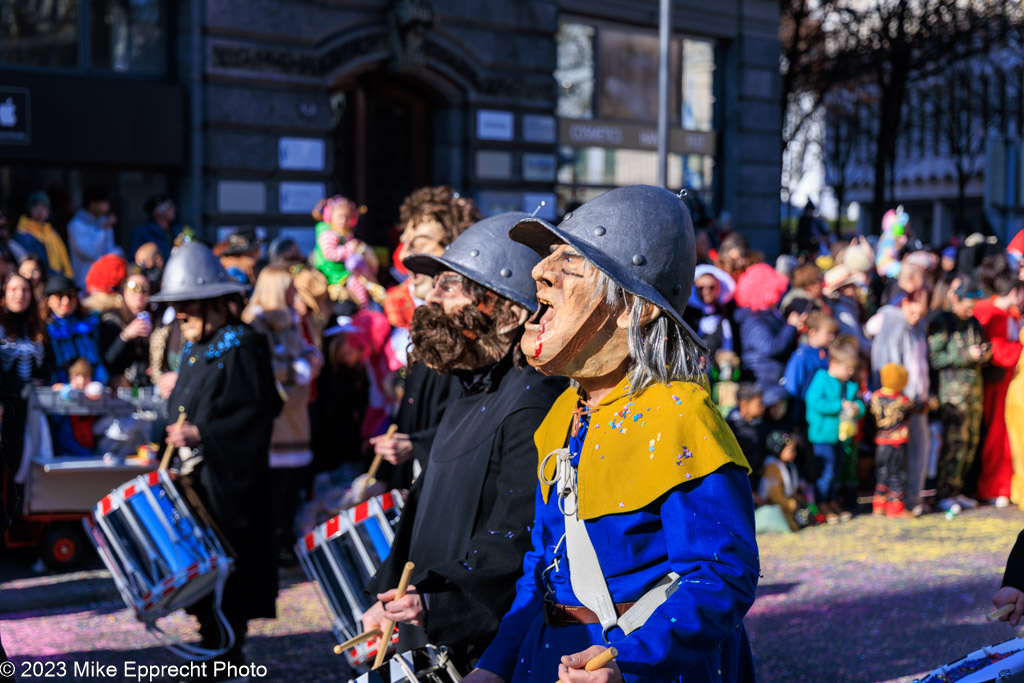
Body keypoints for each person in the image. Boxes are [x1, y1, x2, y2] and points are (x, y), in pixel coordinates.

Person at [468, 185, 758, 682]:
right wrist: (494, 666)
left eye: (572, 261)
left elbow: (721, 574)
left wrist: (630, 661)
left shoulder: (680, 413)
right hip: (547, 659)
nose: (540, 272)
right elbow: (542, 566)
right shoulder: (562, 411)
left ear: (635, 308)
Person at [361, 213, 566, 672]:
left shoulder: (534, 401)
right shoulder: (469, 387)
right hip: (435, 630)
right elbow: (426, 506)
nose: (429, 297)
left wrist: (438, 603)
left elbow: (518, 537)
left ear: (508, 311)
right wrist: (397, 594)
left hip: (488, 653)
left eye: (448, 286)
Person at [150, 241, 282, 677]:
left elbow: (257, 415)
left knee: (230, 580)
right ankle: (211, 640)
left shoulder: (244, 345)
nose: (179, 316)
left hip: (232, 489)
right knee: (201, 582)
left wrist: (202, 433)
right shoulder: (192, 347)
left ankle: (229, 653)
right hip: (197, 485)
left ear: (212, 304)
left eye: (185, 306)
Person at [241, 264, 322, 561]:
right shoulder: (256, 321)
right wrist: (291, 371)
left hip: (296, 414)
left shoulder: (289, 319)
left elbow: (299, 349)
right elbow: (258, 368)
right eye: (288, 286)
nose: (293, 292)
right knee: (273, 488)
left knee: (291, 483)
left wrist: (311, 356)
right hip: (275, 416)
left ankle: (286, 538)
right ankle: (272, 544)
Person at [867, 288, 931, 515]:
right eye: (914, 311)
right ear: (904, 303)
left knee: (916, 452)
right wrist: (899, 400)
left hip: (915, 400)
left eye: (921, 313)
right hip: (899, 405)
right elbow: (889, 368)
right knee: (894, 465)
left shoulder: (917, 327)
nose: (917, 317)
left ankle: (912, 498)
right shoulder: (894, 324)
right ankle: (895, 504)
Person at [927, 276, 988, 513]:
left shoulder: (973, 323)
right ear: (955, 299)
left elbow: (980, 349)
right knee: (954, 444)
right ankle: (945, 492)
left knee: (971, 442)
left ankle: (958, 490)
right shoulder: (943, 322)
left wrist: (984, 354)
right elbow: (935, 358)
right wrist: (966, 356)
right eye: (966, 305)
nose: (969, 311)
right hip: (953, 395)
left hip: (974, 391)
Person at [973, 263, 1023, 507]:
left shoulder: (1008, 315)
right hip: (997, 384)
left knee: (1006, 438)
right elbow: (999, 352)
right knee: (996, 437)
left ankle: (1004, 485)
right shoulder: (993, 313)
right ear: (1014, 292)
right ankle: (993, 486)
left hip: (1007, 384)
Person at [804, 337, 863, 522]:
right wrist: (839, 405)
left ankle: (831, 500)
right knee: (826, 473)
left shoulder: (848, 385)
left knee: (836, 471)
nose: (850, 373)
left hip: (841, 437)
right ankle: (822, 503)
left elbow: (860, 403)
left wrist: (856, 408)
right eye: (848, 368)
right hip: (822, 436)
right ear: (835, 363)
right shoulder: (821, 379)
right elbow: (815, 402)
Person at [0, 272, 50, 484]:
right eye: (14, 289)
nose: (19, 295)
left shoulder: (37, 326)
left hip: (32, 405)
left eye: (25, 290)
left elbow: (48, 365)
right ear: (4, 292)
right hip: (6, 403)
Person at [734, 262, 805, 395]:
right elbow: (770, 346)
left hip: (774, 380)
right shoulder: (752, 320)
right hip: (765, 384)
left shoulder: (768, 314)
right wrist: (790, 326)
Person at [869, 363, 917, 518]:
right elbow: (916, 406)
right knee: (897, 474)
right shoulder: (902, 401)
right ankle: (895, 507)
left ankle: (879, 505)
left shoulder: (876, 396)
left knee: (882, 473)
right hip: (896, 443)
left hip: (881, 443)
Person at [43, 274, 107, 384]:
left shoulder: (91, 325)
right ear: (49, 301)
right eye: (60, 296)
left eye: (71, 296)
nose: (66, 301)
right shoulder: (44, 329)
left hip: (92, 386)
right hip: (58, 388)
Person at [68, 186, 121, 289]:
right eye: (104, 202)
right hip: (84, 283)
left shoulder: (104, 222)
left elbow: (109, 250)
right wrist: (102, 229)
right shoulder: (76, 225)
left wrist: (118, 252)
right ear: (93, 204)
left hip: (106, 283)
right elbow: (90, 252)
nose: (108, 206)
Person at [783, 310, 838, 410]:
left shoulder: (828, 354)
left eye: (833, 333)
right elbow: (791, 387)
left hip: (824, 408)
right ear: (813, 333)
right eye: (828, 334)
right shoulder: (801, 356)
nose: (832, 337)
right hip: (804, 410)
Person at [756, 430, 809, 533]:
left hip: (786, 505)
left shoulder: (788, 465)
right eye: (790, 450)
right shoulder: (772, 468)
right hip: (774, 508)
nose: (794, 453)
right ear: (778, 450)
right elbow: (774, 496)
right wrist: (791, 504)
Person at [14, 191, 74, 279]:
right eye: (36, 208)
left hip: (56, 277)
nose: (40, 211)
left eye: (44, 208)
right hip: (36, 277)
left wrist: (68, 275)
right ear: (29, 210)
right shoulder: (23, 232)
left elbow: (63, 257)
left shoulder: (51, 231)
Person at [683, 264, 737, 357]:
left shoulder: (729, 312)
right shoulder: (686, 314)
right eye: (701, 288)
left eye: (711, 287)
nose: (706, 291)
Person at [726, 383, 767, 480]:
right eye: (759, 403)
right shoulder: (732, 429)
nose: (763, 407)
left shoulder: (758, 425)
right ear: (745, 405)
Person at [130, 194, 181, 262]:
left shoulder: (177, 231)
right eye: (169, 206)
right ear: (156, 211)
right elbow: (135, 260)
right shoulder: (142, 233)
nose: (173, 209)